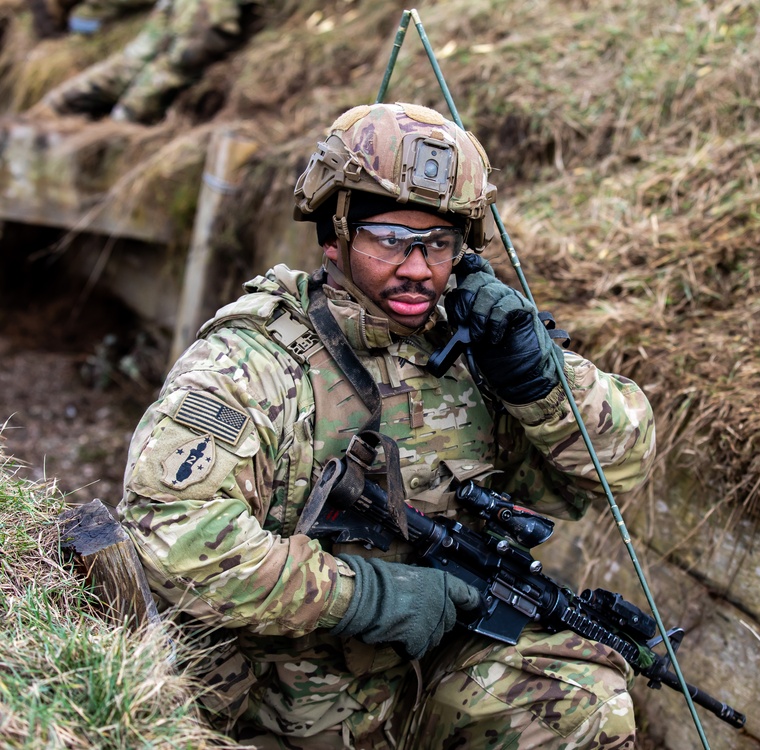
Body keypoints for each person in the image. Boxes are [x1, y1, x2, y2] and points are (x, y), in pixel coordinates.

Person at [117, 101, 657, 749]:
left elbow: (623, 465)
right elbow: (170, 536)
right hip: (269, 699)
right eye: (391, 240)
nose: (418, 268)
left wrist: (537, 379)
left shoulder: (481, 347)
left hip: (423, 688)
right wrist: (369, 594)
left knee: (580, 705)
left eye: (439, 244)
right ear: (334, 233)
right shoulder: (251, 362)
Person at [36, 0, 253, 123]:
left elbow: (195, 50)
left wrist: (121, 120)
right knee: (55, 105)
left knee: (119, 122)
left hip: (177, 61)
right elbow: (139, 55)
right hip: (152, 52)